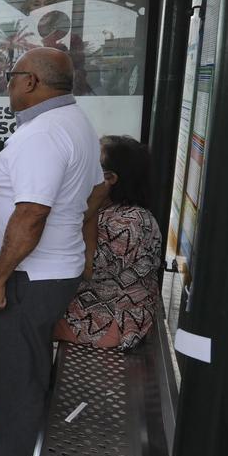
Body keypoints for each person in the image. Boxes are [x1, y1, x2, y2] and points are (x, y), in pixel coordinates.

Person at [0, 47, 105, 456]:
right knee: (29, 370)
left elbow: (30, 216)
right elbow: (94, 194)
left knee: (14, 381)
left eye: (11, 75)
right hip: (52, 273)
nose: (6, 83)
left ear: (30, 82)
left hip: (28, 279)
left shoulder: (42, 134)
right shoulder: (74, 123)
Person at [55, 136, 163, 349]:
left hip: (106, 320)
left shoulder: (130, 222)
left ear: (110, 178)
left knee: (20, 321)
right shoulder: (113, 211)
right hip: (92, 309)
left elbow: (88, 269)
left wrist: (91, 205)